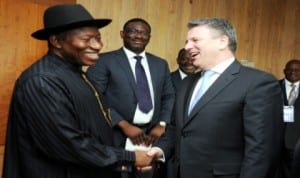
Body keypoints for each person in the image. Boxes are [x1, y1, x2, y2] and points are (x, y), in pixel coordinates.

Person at [2, 4, 153, 178]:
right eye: (87, 39)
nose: (98, 46)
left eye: (98, 38)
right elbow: (67, 144)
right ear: (57, 41)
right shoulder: (42, 80)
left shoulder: (77, 73)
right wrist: (130, 158)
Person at [147, 17, 283, 178]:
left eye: (195, 40)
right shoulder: (186, 83)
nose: (187, 46)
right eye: (186, 41)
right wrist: (159, 150)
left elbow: (262, 151)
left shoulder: (258, 83)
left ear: (222, 42)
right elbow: (176, 129)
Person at [87, 18, 175, 178]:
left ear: (149, 37)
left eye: (143, 33)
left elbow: (169, 96)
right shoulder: (104, 61)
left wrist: (162, 124)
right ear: (122, 34)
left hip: (150, 136)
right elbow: (94, 97)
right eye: (133, 31)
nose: (138, 36)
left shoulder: (160, 64)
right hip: (114, 136)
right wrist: (123, 124)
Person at [278, 59, 300, 178]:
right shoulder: (273, 87)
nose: (293, 72)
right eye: (290, 70)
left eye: (297, 70)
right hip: (274, 140)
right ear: (284, 71)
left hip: (296, 142)